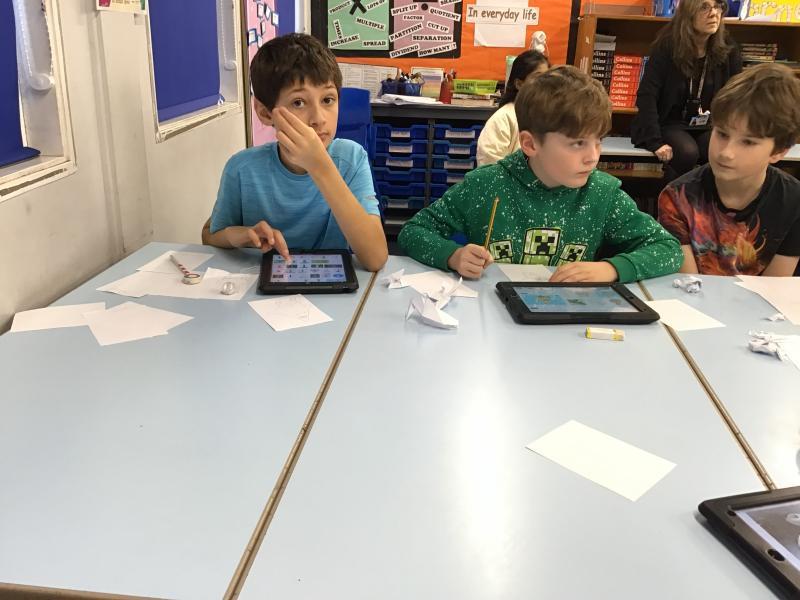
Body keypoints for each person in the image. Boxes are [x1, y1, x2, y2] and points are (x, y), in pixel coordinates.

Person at [398, 66, 683, 283]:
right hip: (491, 320)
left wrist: (610, 269)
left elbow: (668, 249)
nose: (593, 156)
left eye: (598, 141)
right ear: (530, 144)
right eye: (577, 143)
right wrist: (452, 255)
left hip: (567, 324)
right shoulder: (486, 184)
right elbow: (413, 232)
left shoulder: (602, 194)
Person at [201, 33, 387, 272]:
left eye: (328, 100)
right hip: (258, 284)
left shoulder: (352, 159)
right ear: (265, 113)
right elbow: (210, 236)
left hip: (329, 284)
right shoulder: (241, 169)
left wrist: (320, 166)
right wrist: (241, 235)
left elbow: (376, 258)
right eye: (298, 102)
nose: (319, 118)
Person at [658, 63, 800, 276]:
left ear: (779, 151)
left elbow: (774, 288)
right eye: (722, 134)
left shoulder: (794, 202)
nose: (726, 153)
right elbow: (689, 284)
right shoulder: (677, 197)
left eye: (748, 142)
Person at [631, 0, 742, 181]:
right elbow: (647, 95)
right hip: (668, 123)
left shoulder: (728, 49)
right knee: (686, 152)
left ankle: (707, 198)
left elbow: (737, 96)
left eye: (718, 6)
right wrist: (654, 142)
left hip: (708, 123)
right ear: (688, 14)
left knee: (716, 151)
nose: (714, 13)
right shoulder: (667, 47)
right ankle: (672, 198)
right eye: (704, 7)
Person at [476, 50, 550, 167]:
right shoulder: (503, 118)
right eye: (538, 77)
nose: (544, 84)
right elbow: (490, 167)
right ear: (519, 84)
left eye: (547, 78)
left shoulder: (549, 117)